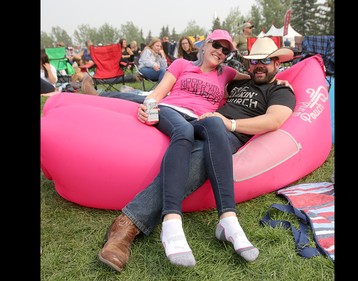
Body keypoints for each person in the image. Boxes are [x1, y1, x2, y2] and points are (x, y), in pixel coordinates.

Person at [89, 34, 295, 272]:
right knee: (148, 105)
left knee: (196, 160)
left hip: (225, 133)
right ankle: (101, 97)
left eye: (265, 61)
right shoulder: (240, 80)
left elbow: (275, 120)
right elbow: (206, 82)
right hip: (200, 121)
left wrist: (231, 124)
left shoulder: (280, 91)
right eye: (254, 61)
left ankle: (126, 225)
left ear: (277, 64)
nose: (258, 66)